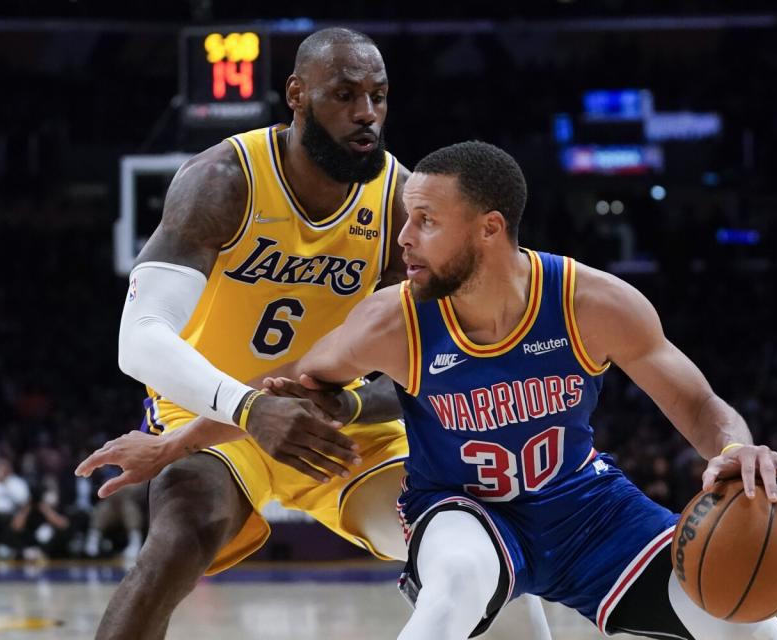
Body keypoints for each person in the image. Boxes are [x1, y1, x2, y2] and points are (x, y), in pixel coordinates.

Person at [76, 29, 549, 640]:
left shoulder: (399, 206)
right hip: (213, 407)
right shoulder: (225, 180)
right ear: (296, 95)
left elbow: (440, 361)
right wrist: (249, 409)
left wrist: (342, 400)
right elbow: (138, 337)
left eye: (378, 95)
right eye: (345, 95)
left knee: (476, 544)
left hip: (335, 416)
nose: (367, 114)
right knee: (180, 536)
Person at [260, 141, 777, 639]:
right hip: (465, 509)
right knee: (453, 584)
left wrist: (736, 449)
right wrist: (191, 434)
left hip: (585, 508)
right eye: (407, 219)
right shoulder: (393, 319)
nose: (404, 236)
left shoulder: (590, 302)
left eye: (426, 221)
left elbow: (698, 404)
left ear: (489, 228)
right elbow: (287, 388)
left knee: (751, 627)